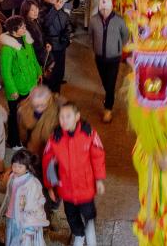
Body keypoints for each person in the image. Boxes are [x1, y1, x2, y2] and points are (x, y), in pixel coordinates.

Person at [42, 102, 107, 246]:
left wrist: (99, 179)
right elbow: (47, 162)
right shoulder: (55, 138)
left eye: (68, 116)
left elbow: (98, 156)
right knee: (71, 215)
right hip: (66, 188)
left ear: (77, 117)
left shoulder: (89, 133)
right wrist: (50, 186)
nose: (64, 120)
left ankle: (90, 230)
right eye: (61, 117)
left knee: (89, 213)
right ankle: (79, 234)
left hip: (85, 186)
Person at [0, 16, 42, 147]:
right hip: (17, 89)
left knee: (28, 113)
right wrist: (12, 90)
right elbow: (5, 72)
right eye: (21, 27)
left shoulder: (26, 40)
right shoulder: (7, 49)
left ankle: (27, 137)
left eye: (24, 26)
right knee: (15, 116)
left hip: (30, 84)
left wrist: (39, 72)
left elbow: (33, 58)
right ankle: (13, 141)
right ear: (13, 31)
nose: (25, 28)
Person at [0, 148, 48, 246]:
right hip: (11, 215)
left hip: (23, 221)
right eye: (14, 165)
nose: (16, 169)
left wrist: (30, 224)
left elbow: (35, 205)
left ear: (28, 167)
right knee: (10, 238)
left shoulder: (32, 183)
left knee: (21, 241)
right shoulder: (12, 177)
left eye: (20, 167)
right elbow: (8, 195)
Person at [40, 0, 72, 93]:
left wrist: (67, 36)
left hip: (61, 44)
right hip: (51, 47)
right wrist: (54, 9)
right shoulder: (42, 10)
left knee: (60, 70)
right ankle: (51, 95)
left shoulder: (59, 5)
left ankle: (57, 91)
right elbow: (45, 24)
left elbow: (67, 22)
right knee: (51, 73)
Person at [18, 85, 61, 158]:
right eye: (36, 106)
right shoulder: (25, 107)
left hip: (48, 145)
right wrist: (35, 116)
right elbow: (25, 127)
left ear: (48, 100)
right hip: (31, 143)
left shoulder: (55, 109)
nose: (39, 109)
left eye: (43, 105)